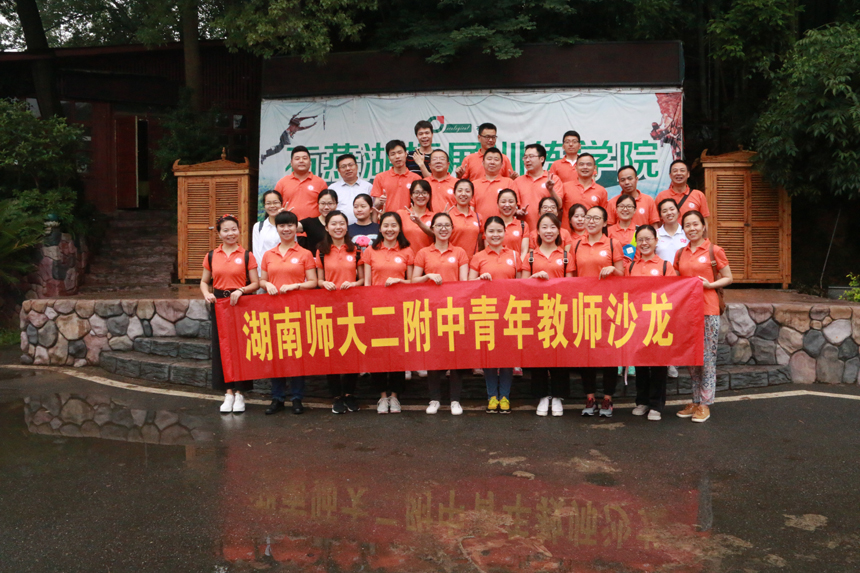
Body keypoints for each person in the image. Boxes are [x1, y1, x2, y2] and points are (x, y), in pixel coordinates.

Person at [674, 210, 733, 423]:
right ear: (683, 229)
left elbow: (728, 277)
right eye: (687, 225)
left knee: (707, 358)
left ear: (703, 226)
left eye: (695, 224)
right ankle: (695, 400)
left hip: (708, 309)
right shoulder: (680, 253)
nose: (692, 228)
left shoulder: (713, 250)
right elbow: (675, 280)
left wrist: (710, 285)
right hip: (687, 312)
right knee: (692, 358)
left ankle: (705, 404)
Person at [259, 210, 318, 415]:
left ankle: (297, 398)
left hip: (297, 311)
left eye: (290, 225)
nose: (286, 229)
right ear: (277, 228)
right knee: (276, 356)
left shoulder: (305, 253)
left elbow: (313, 282)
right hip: (274, 311)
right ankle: (277, 398)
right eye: (282, 226)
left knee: (296, 355)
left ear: (296, 228)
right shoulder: (269, 254)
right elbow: (262, 279)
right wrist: (267, 284)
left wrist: (295, 286)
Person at [201, 215, 259, 415]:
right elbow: (204, 281)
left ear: (239, 230)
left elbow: (255, 283)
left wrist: (241, 290)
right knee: (222, 348)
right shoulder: (211, 255)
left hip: (241, 303)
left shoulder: (247, 255)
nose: (230, 233)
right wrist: (207, 294)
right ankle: (228, 393)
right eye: (225, 230)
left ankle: (241, 392)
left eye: (234, 229)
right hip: (219, 305)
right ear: (219, 233)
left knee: (242, 348)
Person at [413, 212, 470, 416]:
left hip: (454, 311)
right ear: (432, 229)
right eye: (439, 225)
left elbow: (464, 283)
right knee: (434, 357)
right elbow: (413, 280)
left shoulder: (460, 252)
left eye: (447, 225)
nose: (443, 229)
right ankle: (435, 399)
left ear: (452, 229)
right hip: (431, 311)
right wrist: (427, 276)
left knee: (455, 357)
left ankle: (455, 399)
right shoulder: (423, 253)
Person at [573, 206, 624, 418]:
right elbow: (571, 277)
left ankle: (608, 398)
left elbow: (623, 275)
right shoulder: (576, 244)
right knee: (587, 355)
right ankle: (590, 397)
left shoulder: (613, 244)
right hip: (584, 307)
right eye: (588, 217)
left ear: (604, 223)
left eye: (596, 218)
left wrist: (614, 270)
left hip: (609, 307)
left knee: (609, 354)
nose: (591, 221)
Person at [361, 212, 414, 414]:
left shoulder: (407, 250)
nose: (389, 229)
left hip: (400, 309)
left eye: (393, 225)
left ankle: (395, 396)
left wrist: (400, 282)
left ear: (399, 228)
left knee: (398, 354)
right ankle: (382, 396)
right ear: (380, 228)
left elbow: (412, 282)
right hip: (377, 310)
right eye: (386, 225)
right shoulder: (370, 251)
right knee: (379, 353)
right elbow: (367, 283)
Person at [521, 213, 573, 417]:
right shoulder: (530, 256)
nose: (548, 231)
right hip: (537, 312)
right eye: (544, 227)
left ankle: (558, 396)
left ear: (558, 230)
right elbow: (522, 286)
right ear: (538, 231)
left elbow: (571, 285)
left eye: (552, 227)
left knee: (560, 355)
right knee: (539, 356)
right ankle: (542, 396)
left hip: (560, 311)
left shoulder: (566, 255)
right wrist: (535, 278)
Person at [469, 216, 521, 414]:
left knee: (507, 356)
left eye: (499, 230)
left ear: (505, 233)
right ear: (485, 234)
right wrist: (480, 280)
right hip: (486, 312)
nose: (495, 234)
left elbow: (521, 284)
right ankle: (492, 396)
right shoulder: (478, 257)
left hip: (509, 312)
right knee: (489, 356)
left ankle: (505, 396)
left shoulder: (515, 256)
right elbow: (467, 286)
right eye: (491, 231)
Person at [626, 225, 677, 421]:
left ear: (656, 241)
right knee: (640, 365)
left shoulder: (665, 266)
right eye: (640, 240)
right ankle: (642, 401)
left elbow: (674, 293)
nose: (644, 243)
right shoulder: (631, 267)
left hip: (659, 323)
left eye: (648, 239)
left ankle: (656, 404)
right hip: (638, 323)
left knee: (658, 365)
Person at [316, 210, 363, 414]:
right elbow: (318, 279)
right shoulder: (321, 251)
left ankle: (349, 394)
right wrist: (323, 283)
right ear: (327, 227)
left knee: (352, 348)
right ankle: (336, 396)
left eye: (341, 223)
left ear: (346, 226)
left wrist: (354, 284)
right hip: (329, 307)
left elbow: (363, 279)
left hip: (352, 307)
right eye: (333, 224)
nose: (338, 227)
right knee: (332, 352)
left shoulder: (356, 250)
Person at [655, 198, 688, 379]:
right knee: (662, 322)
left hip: (683, 285)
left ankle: (675, 358)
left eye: (672, 209)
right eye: (664, 210)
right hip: (660, 286)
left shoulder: (687, 232)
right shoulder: (655, 235)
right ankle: (666, 361)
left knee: (678, 323)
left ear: (678, 211)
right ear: (660, 215)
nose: (669, 213)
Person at [513, 143, 563, 232]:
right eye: (525, 157)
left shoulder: (553, 179)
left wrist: (551, 190)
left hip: (547, 231)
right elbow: (511, 208)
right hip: (524, 231)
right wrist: (517, 212)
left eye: (531, 156)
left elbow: (559, 205)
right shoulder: (517, 181)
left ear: (542, 159)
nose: (527, 160)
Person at [274, 146, 328, 220]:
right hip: (288, 224)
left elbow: (326, 206)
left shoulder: (320, 183)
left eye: (305, 158)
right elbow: (275, 205)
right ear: (291, 163)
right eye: (297, 159)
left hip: (314, 226)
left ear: (310, 162)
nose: (301, 161)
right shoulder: (282, 183)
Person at [371, 139, 421, 212]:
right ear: (389, 158)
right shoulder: (380, 177)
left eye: (400, 153)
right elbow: (375, 206)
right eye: (393, 154)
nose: (397, 156)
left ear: (406, 154)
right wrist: (380, 202)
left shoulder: (416, 178)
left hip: (409, 218)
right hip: (387, 218)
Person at [561, 153, 608, 227]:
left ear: (594, 168)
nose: (585, 167)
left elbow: (603, 216)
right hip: (568, 233)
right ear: (576, 167)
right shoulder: (564, 187)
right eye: (581, 164)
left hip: (591, 233)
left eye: (589, 164)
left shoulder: (601, 191)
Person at [472, 147, 516, 222]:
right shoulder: (474, 184)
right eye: (489, 159)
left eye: (496, 159)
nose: (492, 162)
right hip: (480, 227)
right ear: (483, 163)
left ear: (502, 164)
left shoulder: (509, 183)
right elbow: (471, 209)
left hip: (503, 227)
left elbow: (514, 208)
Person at [328, 153, 372, 224]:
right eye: (343, 166)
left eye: (350, 165)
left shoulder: (368, 187)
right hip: (339, 227)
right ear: (339, 170)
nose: (348, 169)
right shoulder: (332, 188)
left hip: (364, 227)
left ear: (356, 166)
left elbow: (373, 209)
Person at [396, 180, 436, 255]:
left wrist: (419, 222)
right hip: (404, 258)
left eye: (424, 193)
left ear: (429, 195)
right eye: (417, 193)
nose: (420, 196)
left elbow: (435, 235)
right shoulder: (401, 214)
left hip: (427, 258)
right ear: (411, 195)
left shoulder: (435, 217)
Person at [448, 179, 482, 258]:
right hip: (453, 261)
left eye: (467, 191)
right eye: (460, 191)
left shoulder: (478, 217)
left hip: (473, 262)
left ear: (472, 195)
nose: (463, 194)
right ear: (454, 194)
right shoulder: (447, 216)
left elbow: (480, 242)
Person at [297, 189, 338, 255]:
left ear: (336, 204)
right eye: (323, 203)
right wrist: (282, 217)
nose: (326, 207)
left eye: (330, 203)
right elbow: (291, 227)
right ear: (318, 204)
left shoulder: (341, 223)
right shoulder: (309, 223)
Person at [252, 190, 285, 264]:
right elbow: (257, 253)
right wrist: (264, 269)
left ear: (281, 204)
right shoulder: (258, 227)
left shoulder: (288, 226)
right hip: (265, 268)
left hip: (285, 267)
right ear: (264, 206)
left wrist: (285, 217)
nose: (272, 206)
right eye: (268, 203)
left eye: (275, 202)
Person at [496, 189, 530, 258]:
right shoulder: (492, 225)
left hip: (517, 264)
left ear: (516, 204)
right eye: (503, 202)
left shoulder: (523, 225)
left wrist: (518, 264)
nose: (507, 205)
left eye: (511, 202)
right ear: (498, 204)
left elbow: (524, 251)